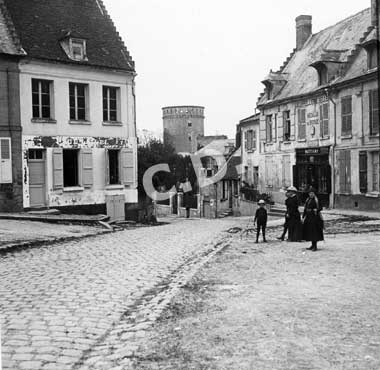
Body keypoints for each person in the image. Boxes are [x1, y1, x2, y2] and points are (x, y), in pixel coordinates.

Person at [302, 187, 324, 251]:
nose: (311, 194)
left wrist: (316, 209)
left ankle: (315, 246)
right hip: (308, 218)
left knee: (314, 232)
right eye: (310, 193)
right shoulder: (308, 200)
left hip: (315, 218)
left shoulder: (317, 200)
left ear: (314, 194)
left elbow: (320, 208)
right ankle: (312, 245)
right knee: (310, 232)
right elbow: (305, 209)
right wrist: (303, 217)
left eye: (312, 193)